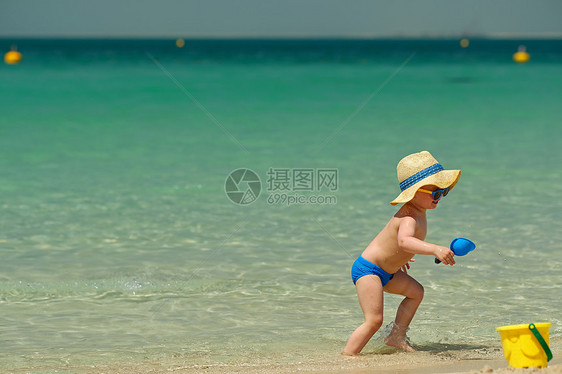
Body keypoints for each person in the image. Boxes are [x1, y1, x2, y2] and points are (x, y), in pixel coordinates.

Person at [342, 151, 461, 355]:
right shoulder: (409, 216)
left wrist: (400, 257)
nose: (439, 197)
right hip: (368, 270)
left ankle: (396, 336)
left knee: (416, 292)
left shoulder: (419, 213)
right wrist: (435, 248)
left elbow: (401, 245)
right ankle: (347, 357)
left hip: (388, 270)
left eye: (443, 192)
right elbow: (404, 240)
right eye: (435, 193)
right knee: (374, 320)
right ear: (414, 193)